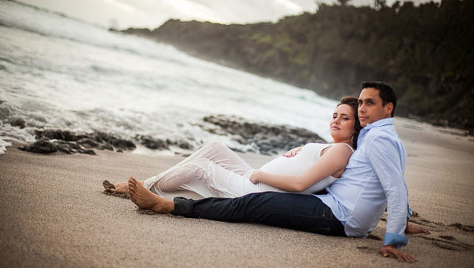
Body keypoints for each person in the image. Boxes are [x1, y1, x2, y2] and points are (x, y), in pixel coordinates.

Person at [127, 81, 428, 263]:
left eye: (368, 104)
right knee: (219, 154)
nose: (362, 109)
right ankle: (152, 187)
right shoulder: (376, 138)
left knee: (254, 203)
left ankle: (169, 204)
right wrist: (403, 217)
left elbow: (392, 186)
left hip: (339, 216)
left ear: (388, 108)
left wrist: (394, 236)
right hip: (332, 206)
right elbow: (374, 181)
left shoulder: (374, 139)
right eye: (360, 102)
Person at [105, 96, 361, 199]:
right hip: (256, 180)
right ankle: (146, 182)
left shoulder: (342, 151)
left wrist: (260, 174)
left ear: (356, 127)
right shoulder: (333, 147)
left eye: (345, 118)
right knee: (215, 147)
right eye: (334, 115)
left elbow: (299, 185)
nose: (336, 120)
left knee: (202, 168)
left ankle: (141, 189)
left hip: (257, 189)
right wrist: (302, 149)